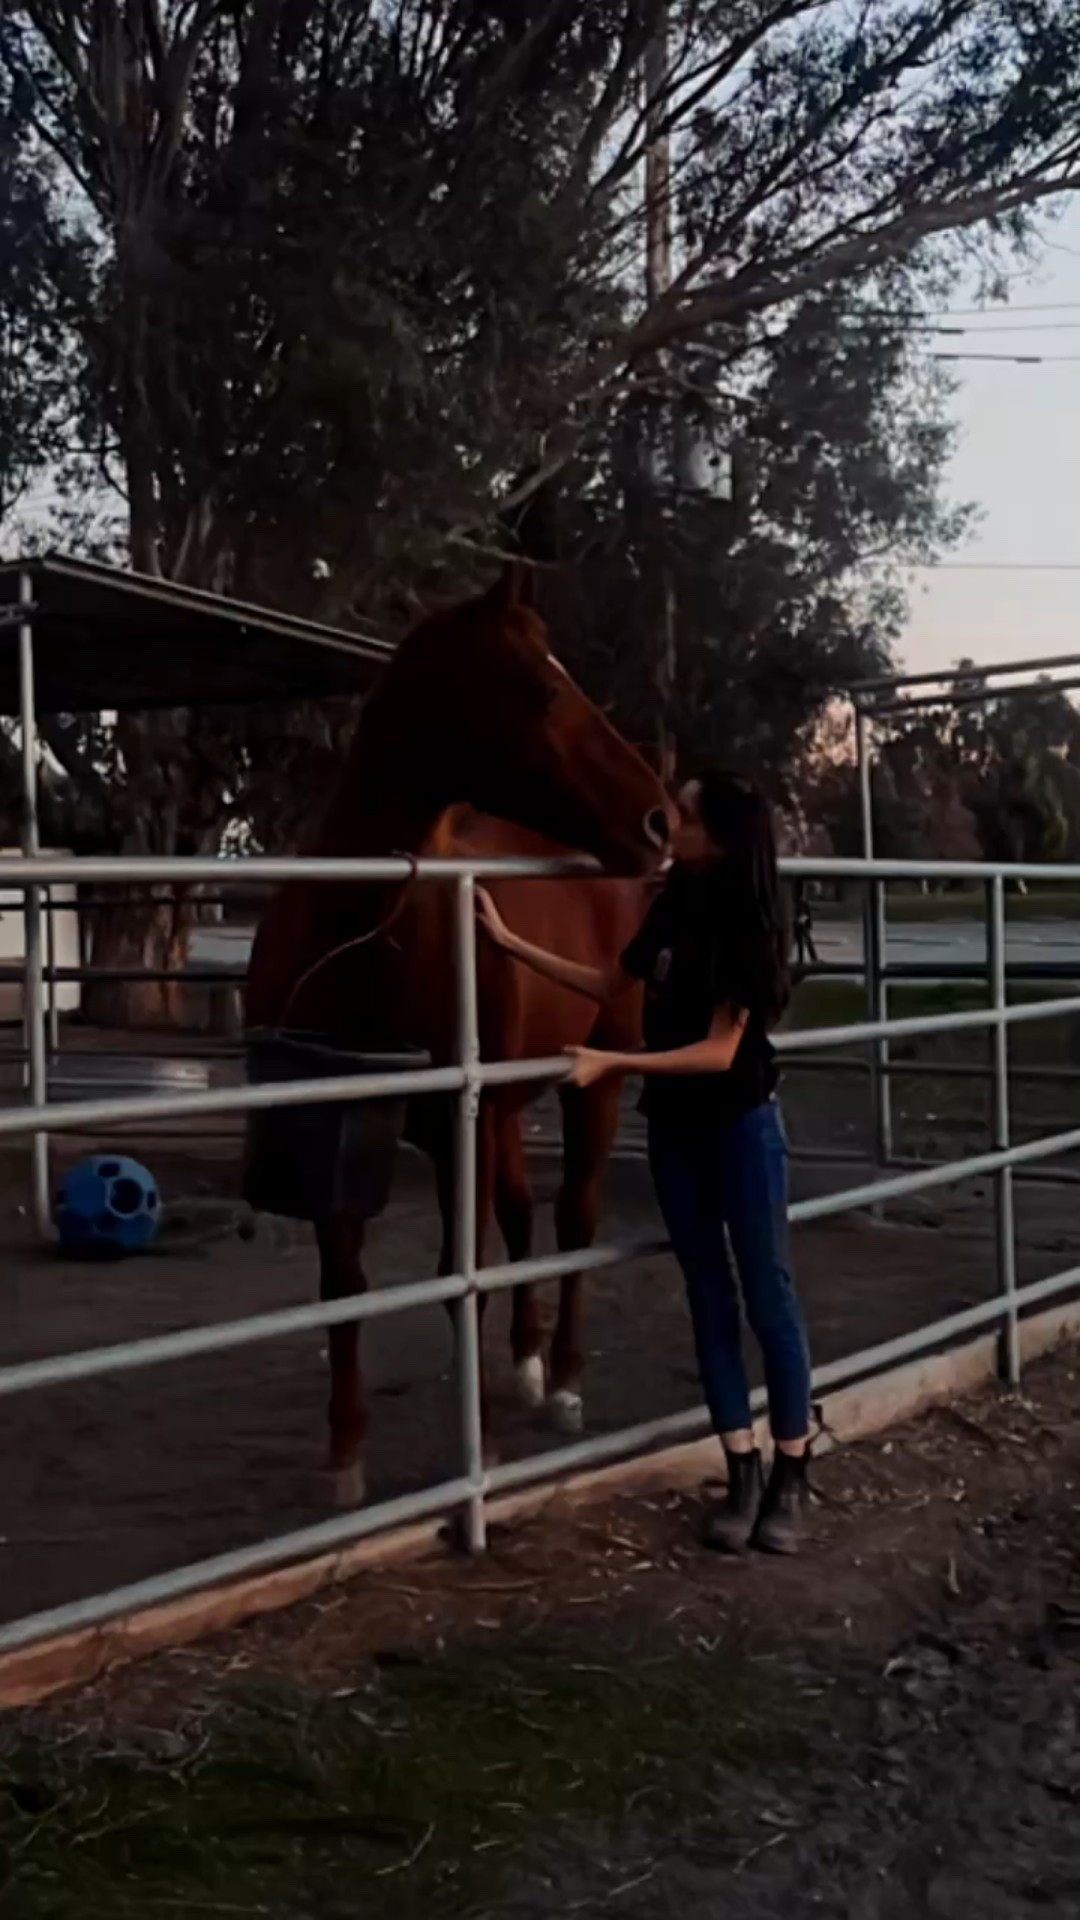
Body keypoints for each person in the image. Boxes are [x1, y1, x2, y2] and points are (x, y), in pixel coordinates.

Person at [476, 772, 811, 1555]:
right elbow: (604, 982)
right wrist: (510, 941)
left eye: (685, 814)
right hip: (677, 1136)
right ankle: (742, 1471)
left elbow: (721, 1053)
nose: (670, 819)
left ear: (717, 836)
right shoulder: (670, 908)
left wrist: (614, 1065)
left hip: (737, 1128)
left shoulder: (750, 923)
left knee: (769, 1297)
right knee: (708, 1299)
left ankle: (794, 1471)